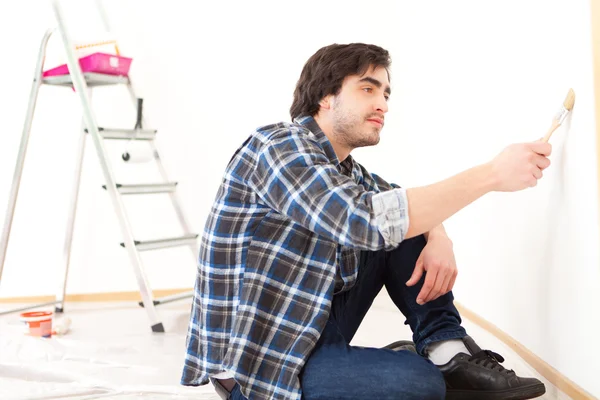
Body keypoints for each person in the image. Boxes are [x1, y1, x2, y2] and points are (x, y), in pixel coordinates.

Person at [181, 43, 551, 400]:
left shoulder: (346, 170)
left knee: (408, 221)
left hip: (310, 324)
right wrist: (491, 175)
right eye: (368, 88)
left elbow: (396, 199)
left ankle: (447, 352)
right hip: (259, 364)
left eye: (386, 94)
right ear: (326, 97)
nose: (382, 105)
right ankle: (414, 367)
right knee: (420, 385)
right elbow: (365, 220)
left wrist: (439, 237)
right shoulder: (278, 146)